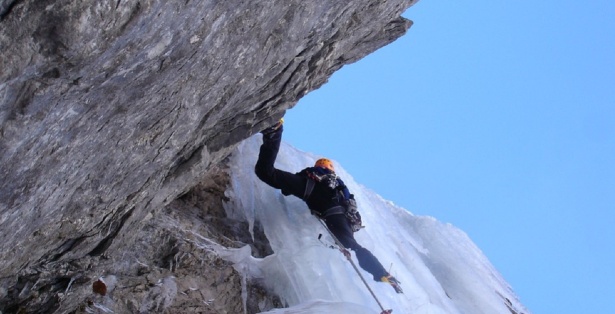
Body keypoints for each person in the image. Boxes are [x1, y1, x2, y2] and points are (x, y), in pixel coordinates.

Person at [254, 118, 402, 293]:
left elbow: (291, 185)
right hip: (337, 215)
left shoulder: (313, 177)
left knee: (265, 172)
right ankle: (381, 273)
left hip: (310, 191)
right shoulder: (340, 189)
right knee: (353, 246)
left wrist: (290, 187)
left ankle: (274, 133)